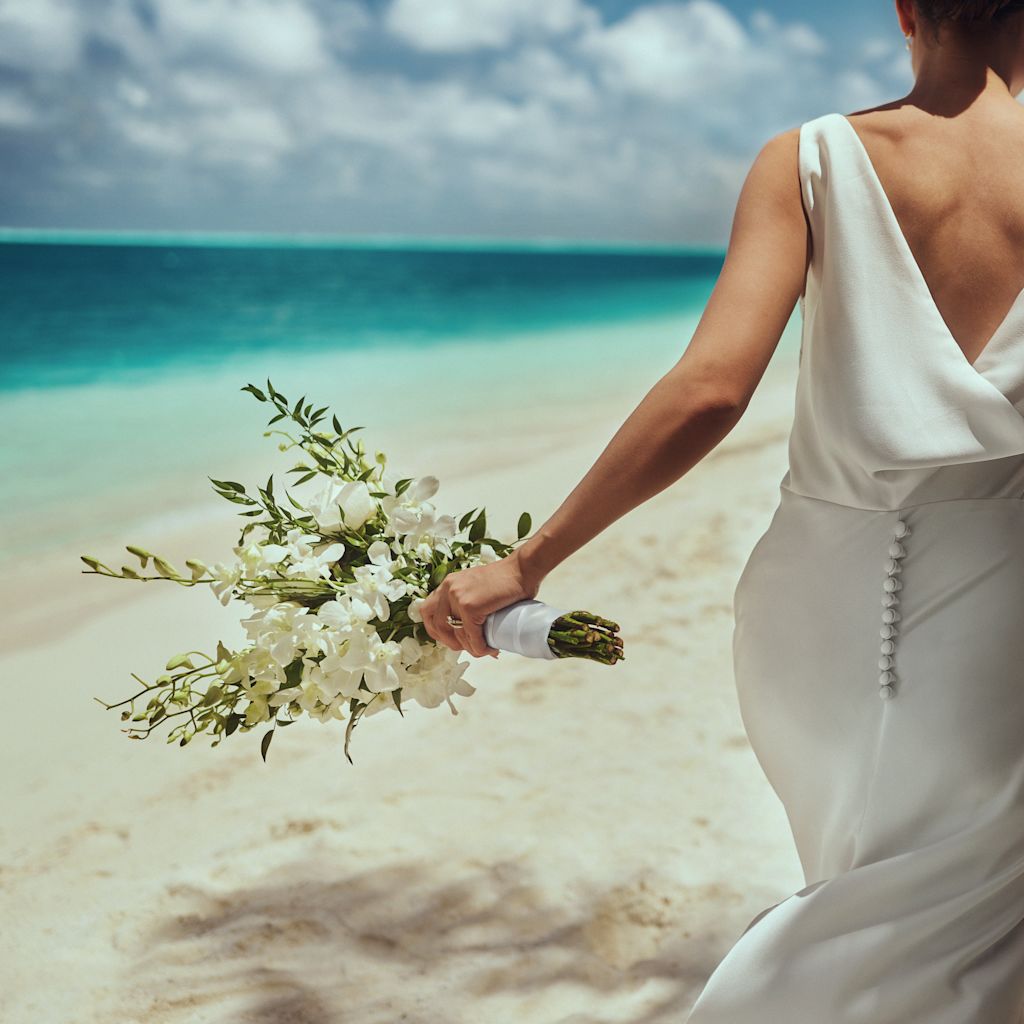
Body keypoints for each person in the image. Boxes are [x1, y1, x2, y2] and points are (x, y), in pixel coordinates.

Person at [420, 1, 1024, 1018]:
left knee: (870, 903)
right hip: (998, 603)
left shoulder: (811, 157)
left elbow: (709, 390)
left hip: (815, 609)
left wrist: (529, 562)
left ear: (905, 11)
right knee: (955, 927)